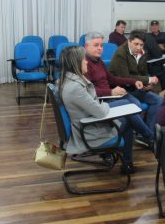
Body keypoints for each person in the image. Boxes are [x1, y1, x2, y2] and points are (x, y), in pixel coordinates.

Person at [58, 45, 152, 175]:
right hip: (90, 132)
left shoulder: (70, 80)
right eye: (83, 59)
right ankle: (148, 141)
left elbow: (94, 104)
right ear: (75, 63)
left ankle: (144, 145)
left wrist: (100, 104)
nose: (86, 62)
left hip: (89, 123)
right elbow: (100, 111)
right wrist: (104, 104)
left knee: (127, 110)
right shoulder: (75, 88)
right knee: (128, 118)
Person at [83, 31, 154, 146]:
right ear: (87, 46)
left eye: (101, 45)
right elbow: (88, 91)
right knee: (131, 106)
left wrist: (134, 81)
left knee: (135, 103)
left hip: (109, 96)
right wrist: (111, 91)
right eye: (96, 45)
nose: (100, 48)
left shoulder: (98, 61)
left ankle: (144, 135)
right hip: (101, 101)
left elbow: (112, 79)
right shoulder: (85, 64)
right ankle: (149, 137)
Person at [108, 30, 163, 132]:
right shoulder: (121, 53)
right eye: (136, 44)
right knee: (136, 104)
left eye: (141, 45)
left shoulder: (143, 52)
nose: (139, 47)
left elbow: (143, 72)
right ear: (129, 41)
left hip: (136, 87)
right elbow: (125, 77)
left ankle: (148, 132)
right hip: (122, 89)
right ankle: (145, 133)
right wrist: (147, 79)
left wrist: (149, 83)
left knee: (158, 101)